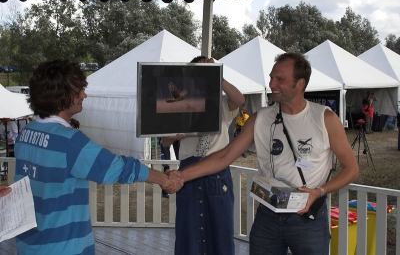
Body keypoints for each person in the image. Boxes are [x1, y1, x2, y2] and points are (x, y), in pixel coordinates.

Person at [168, 52, 359, 255]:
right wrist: (181, 175)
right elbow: (224, 156)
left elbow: (352, 169)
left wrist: (318, 192)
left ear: (300, 83)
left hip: (307, 218)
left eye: (280, 79)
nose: (272, 84)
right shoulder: (261, 118)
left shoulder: (324, 118)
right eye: (271, 77)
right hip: (268, 215)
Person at [13, 60, 182, 255]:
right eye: (78, 91)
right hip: (62, 247)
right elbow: (118, 168)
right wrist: (164, 179)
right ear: (59, 96)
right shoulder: (69, 142)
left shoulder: (26, 133)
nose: (84, 95)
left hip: (29, 243)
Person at [162, 56, 245, 255]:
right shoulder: (180, 105)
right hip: (188, 171)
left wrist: (219, 76)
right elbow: (164, 141)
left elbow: (240, 100)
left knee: (221, 231)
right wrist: (172, 137)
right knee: (188, 232)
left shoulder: (221, 103)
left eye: (205, 73)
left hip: (217, 170)